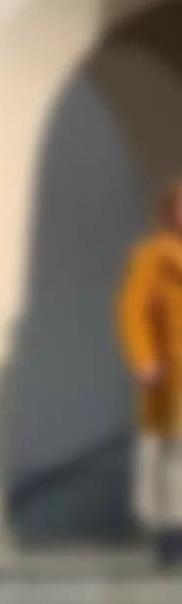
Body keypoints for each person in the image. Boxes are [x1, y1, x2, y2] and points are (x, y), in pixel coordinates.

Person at [115, 177, 182, 568]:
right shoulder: (152, 256)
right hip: (171, 374)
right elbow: (133, 310)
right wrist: (143, 358)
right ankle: (171, 534)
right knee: (171, 455)